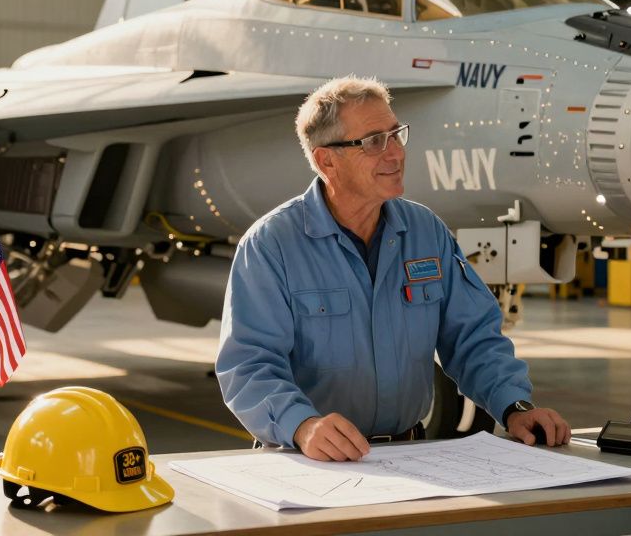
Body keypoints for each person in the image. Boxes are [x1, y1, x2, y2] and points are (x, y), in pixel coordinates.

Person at [216, 76, 570, 461]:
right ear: (326, 160)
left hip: (408, 455)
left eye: (396, 135)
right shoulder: (271, 245)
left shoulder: (426, 232)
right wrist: (302, 425)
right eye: (373, 142)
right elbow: (248, 366)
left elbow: (472, 338)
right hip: (310, 462)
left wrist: (514, 406)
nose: (396, 154)